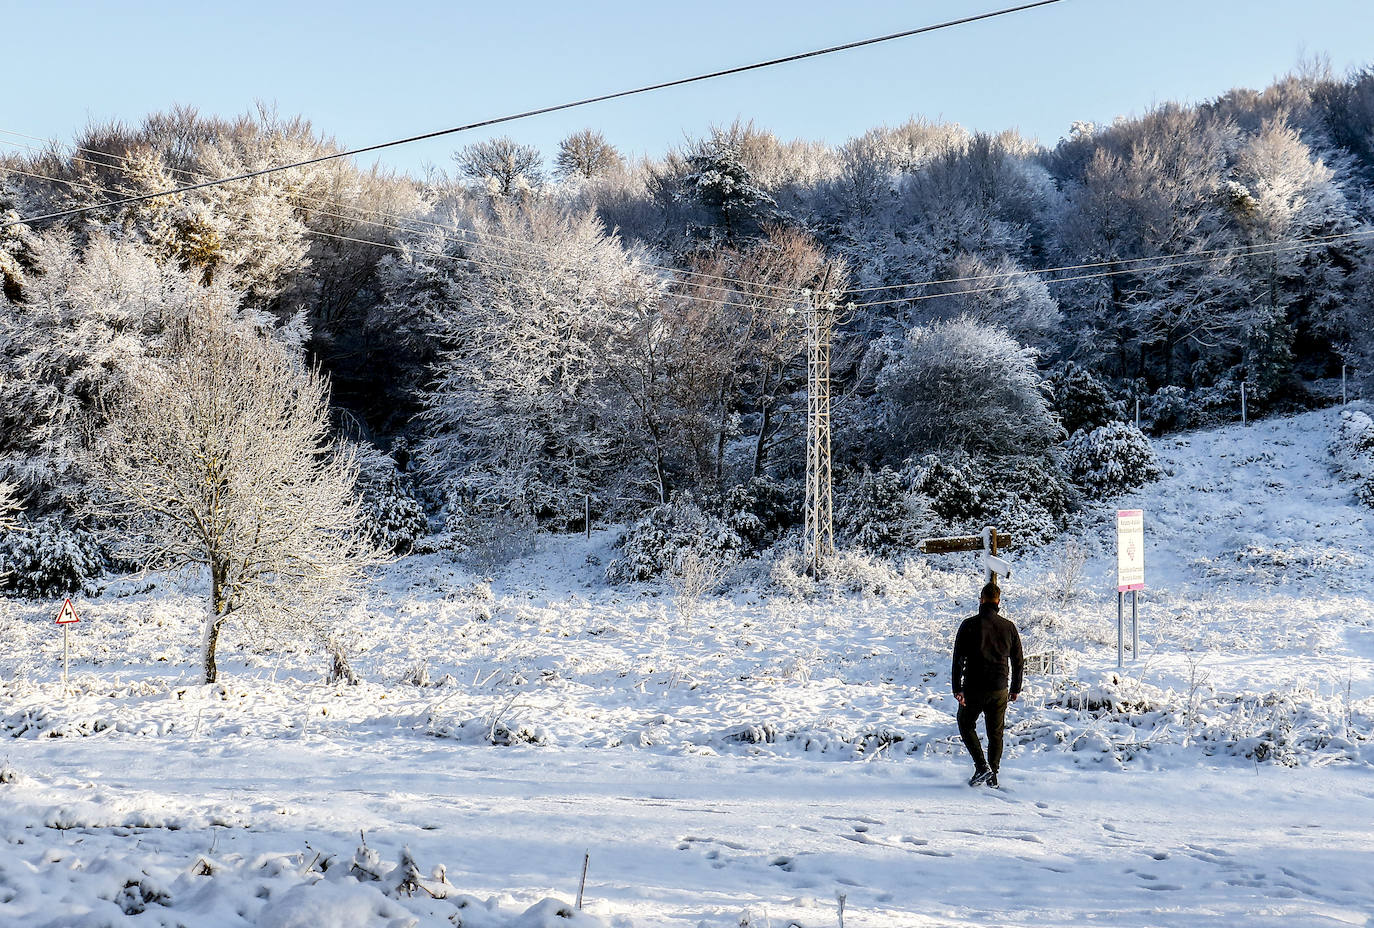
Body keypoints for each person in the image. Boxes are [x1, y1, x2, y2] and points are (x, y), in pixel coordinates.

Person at [951, 581, 1023, 788]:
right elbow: (1018, 660)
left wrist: (957, 688)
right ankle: (993, 774)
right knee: (995, 733)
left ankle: (982, 767)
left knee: (965, 724)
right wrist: (1015, 688)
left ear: (981, 600)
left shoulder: (968, 625)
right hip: (999, 688)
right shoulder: (1008, 627)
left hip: (974, 687)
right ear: (998, 601)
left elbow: (958, 659)